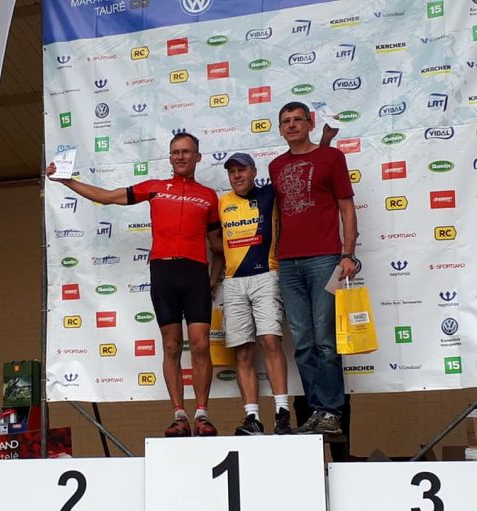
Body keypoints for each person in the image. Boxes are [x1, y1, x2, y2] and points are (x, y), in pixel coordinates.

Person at [46, 132, 222, 437]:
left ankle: (202, 414)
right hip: (164, 272)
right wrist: (66, 181)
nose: (180, 157)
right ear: (170, 158)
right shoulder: (154, 188)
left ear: (197, 157)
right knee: (171, 344)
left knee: (200, 343)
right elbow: (107, 196)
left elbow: (217, 245)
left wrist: (215, 278)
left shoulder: (208, 196)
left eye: (186, 152)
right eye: (175, 152)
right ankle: (179, 416)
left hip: (195, 272)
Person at [269, 102, 358, 436]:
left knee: (325, 340)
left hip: (324, 259)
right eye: (285, 121)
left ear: (310, 123)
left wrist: (348, 254)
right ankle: (317, 410)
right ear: (280, 129)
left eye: (297, 120)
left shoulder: (332, 158)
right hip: (288, 263)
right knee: (304, 343)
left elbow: (346, 209)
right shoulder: (276, 165)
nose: (291, 125)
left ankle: (332, 411)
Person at [216, 152, 291, 435]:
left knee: (270, 340)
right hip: (233, 281)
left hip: (265, 275)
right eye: (232, 171)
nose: (237, 175)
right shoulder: (221, 202)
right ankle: (252, 418)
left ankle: (282, 413)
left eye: (242, 170)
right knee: (243, 351)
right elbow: (214, 240)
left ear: (253, 172)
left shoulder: (269, 194)